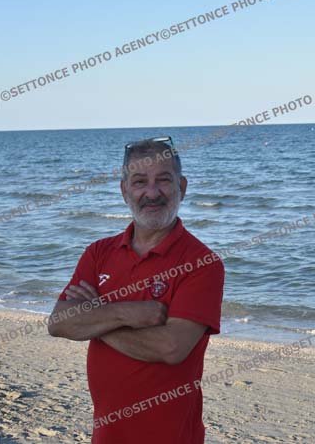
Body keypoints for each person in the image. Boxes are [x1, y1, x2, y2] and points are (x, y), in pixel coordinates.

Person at [48, 136, 225, 443]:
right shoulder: (98, 253)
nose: (152, 193)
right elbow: (59, 323)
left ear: (182, 187)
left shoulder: (202, 263)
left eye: (163, 180)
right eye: (140, 181)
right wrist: (126, 313)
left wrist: (97, 318)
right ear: (124, 191)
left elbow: (171, 348)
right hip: (106, 434)